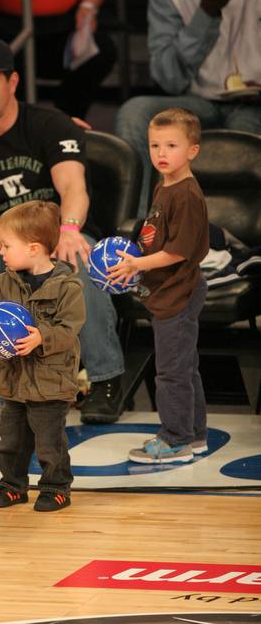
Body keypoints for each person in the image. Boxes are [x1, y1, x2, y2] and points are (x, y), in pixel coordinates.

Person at [0, 37, 125, 429]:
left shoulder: (51, 124)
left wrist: (69, 228)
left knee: (81, 255)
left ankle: (106, 379)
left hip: (61, 234)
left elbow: (73, 186)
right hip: (10, 247)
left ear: (12, 82)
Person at [115, 0, 261, 217]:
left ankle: (240, 242)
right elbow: (168, 78)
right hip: (200, 103)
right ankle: (143, 224)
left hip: (256, 101)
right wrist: (205, 15)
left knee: (244, 126)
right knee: (135, 111)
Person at [108, 108, 209, 464]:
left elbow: (178, 251)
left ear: (192, 150)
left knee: (171, 371)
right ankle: (194, 435)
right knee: (184, 366)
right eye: (154, 145)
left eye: (171, 145)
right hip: (165, 291)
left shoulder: (187, 195)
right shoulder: (164, 186)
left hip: (179, 291)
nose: (161, 153)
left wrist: (136, 264)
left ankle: (175, 439)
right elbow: (155, 236)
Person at [0, 200, 85, 511]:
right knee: (10, 441)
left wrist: (42, 337)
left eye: (7, 245)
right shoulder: (3, 282)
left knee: (50, 443)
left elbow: (70, 329)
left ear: (34, 248)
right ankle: (12, 485)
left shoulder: (68, 287)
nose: (1, 251)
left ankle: (56, 487)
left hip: (50, 382)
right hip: (13, 379)